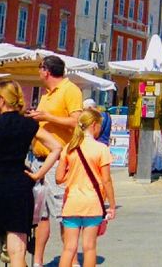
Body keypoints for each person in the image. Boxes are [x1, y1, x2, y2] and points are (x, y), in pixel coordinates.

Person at [0, 81, 64, 267]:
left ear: (2, 100)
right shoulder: (29, 124)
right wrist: (38, 174)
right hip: (20, 184)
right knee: (17, 250)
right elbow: (57, 147)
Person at [25, 55, 84, 267]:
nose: (38, 72)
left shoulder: (70, 90)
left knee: (63, 212)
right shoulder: (47, 94)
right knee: (40, 214)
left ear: (46, 71)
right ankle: (38, 262)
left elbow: (77, 122)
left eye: (40, 69)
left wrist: (47, 117)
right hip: (38, 160)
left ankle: (72, 260)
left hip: (59, 160)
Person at [55, 108, 117, 267]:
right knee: (89, 247)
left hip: (72, 202)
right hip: (92, 203)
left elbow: (58, 178)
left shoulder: (69, 148)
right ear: (94, 125)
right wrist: (112, 204)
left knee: (69, 248)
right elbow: (106, 180)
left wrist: (72, 174)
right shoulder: (101, 149)